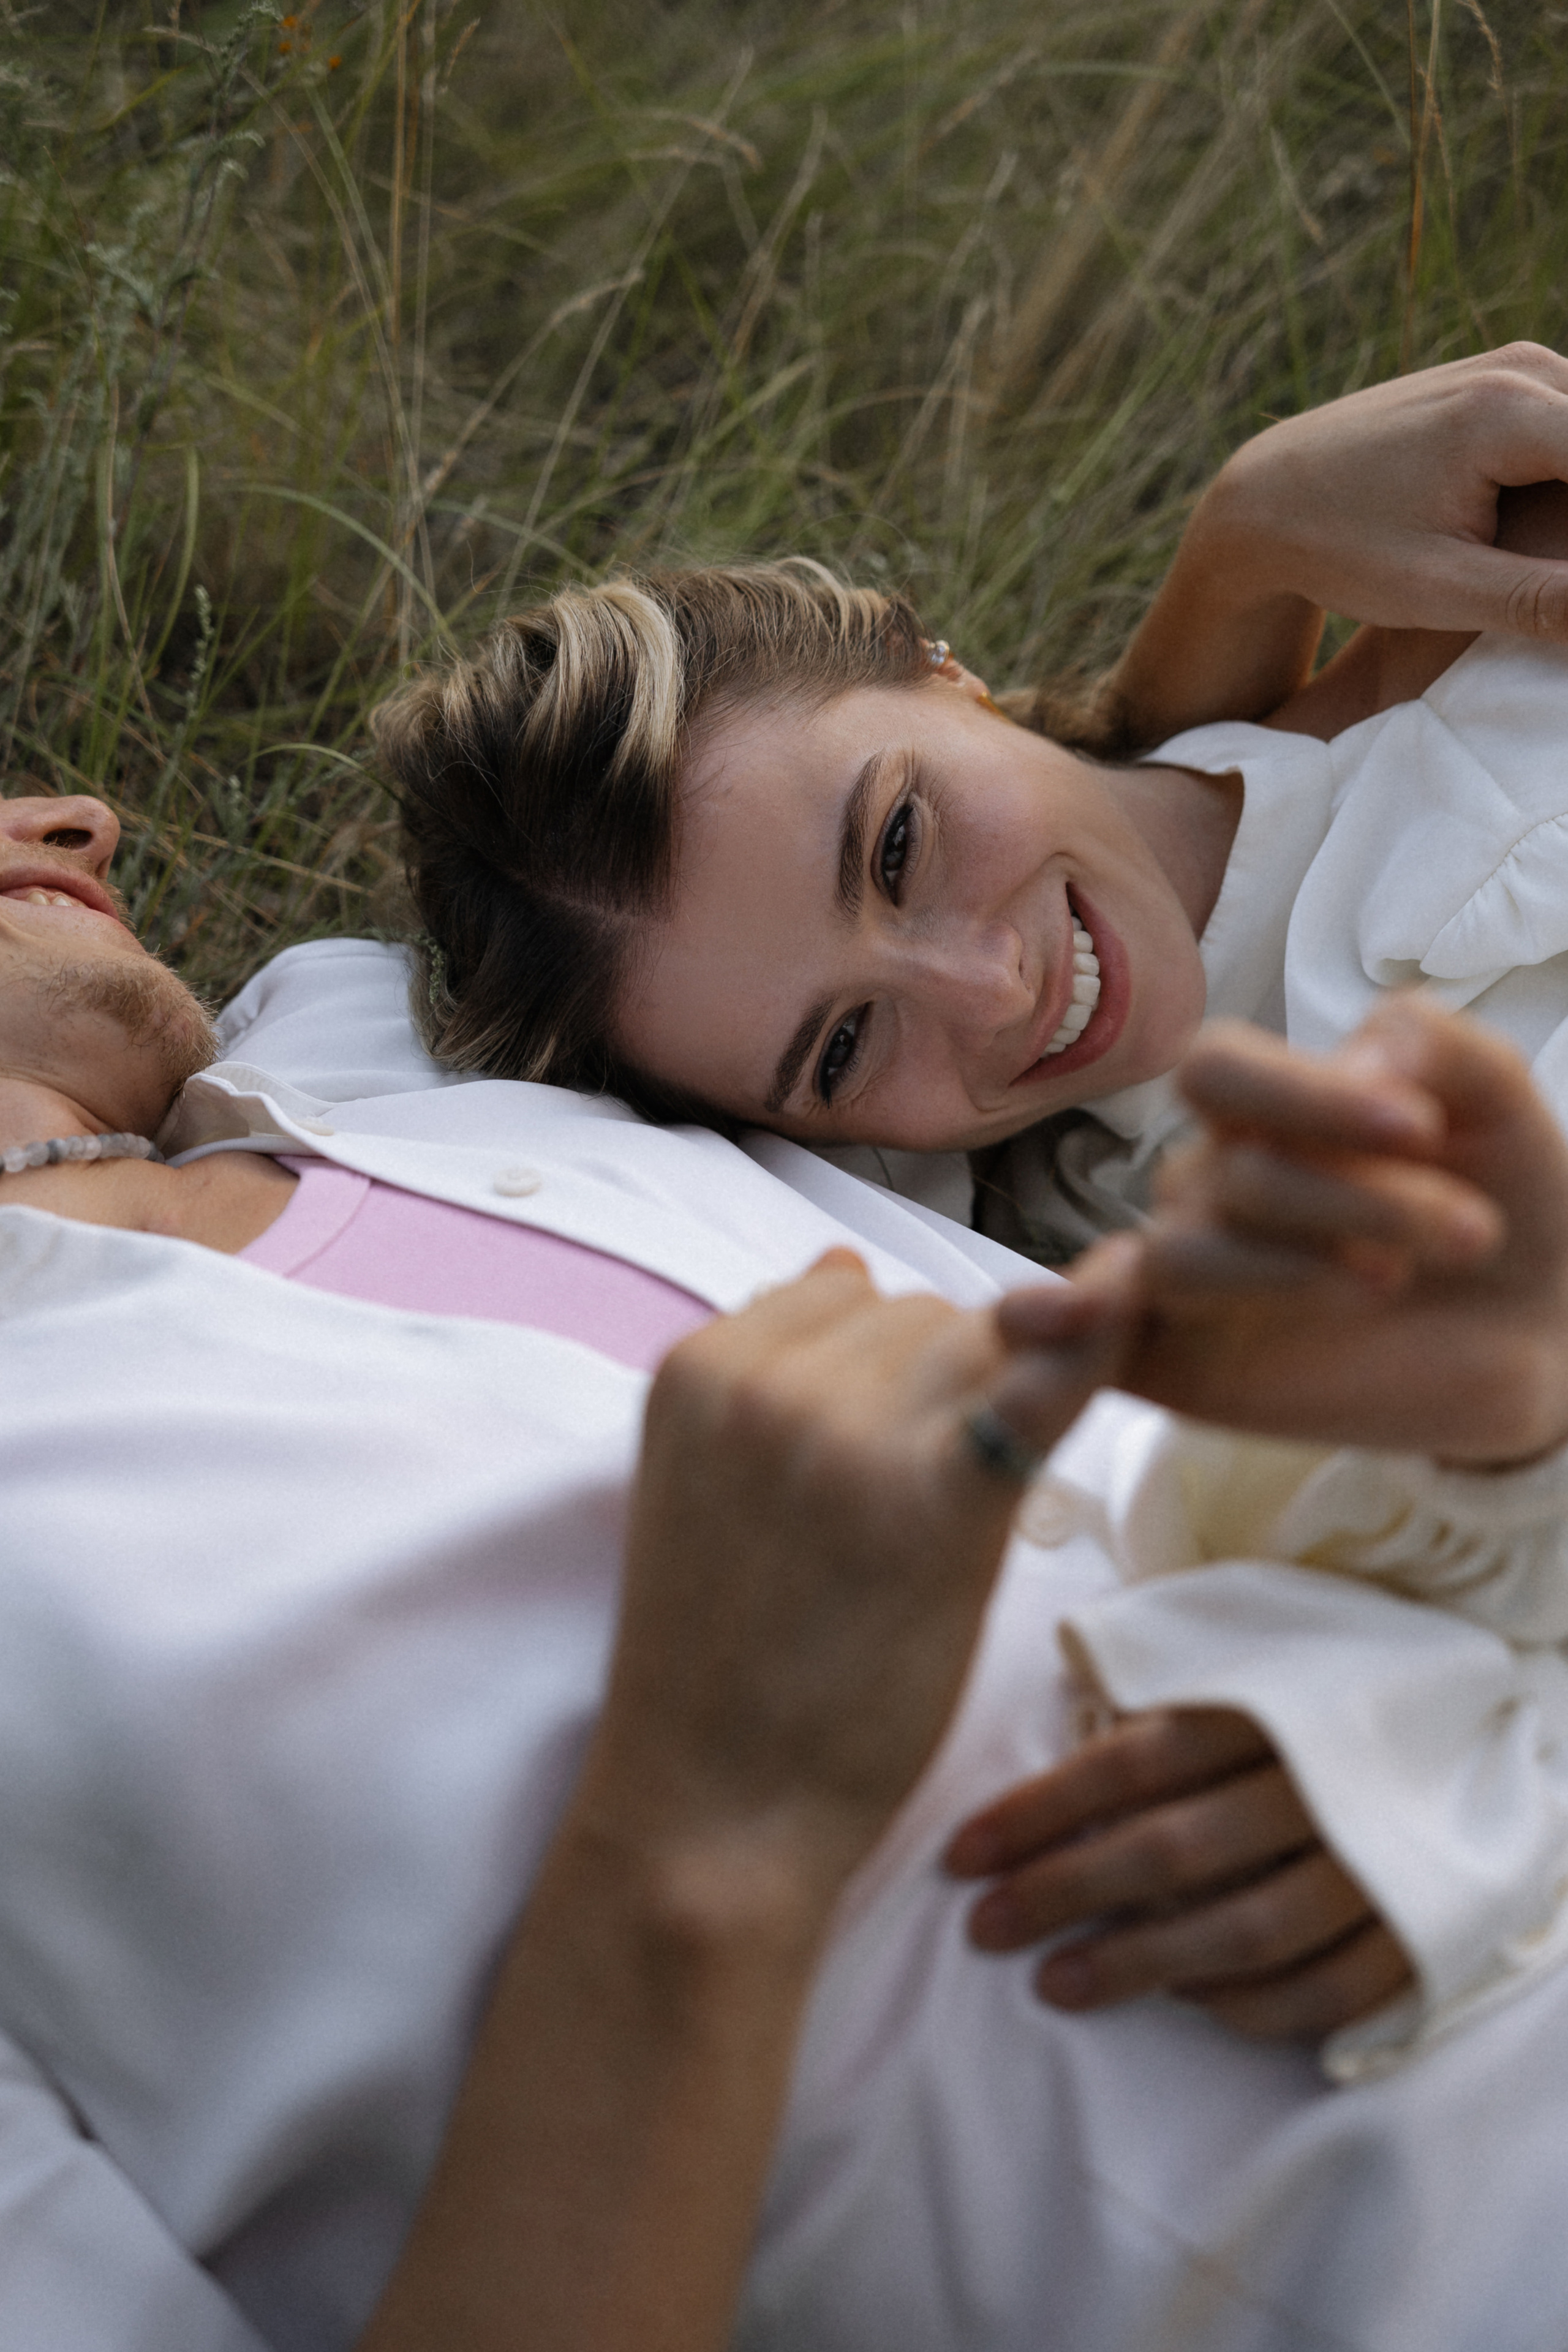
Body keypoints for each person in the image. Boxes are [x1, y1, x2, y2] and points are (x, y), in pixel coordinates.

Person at [375, 342, 1568, 1257]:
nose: (992, 990)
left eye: (896, 845)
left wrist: (1248, 536)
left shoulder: (1502, 626)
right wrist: (1241, 545)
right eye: (841, 1048)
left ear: (939, 671)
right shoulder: (1072, 1265)